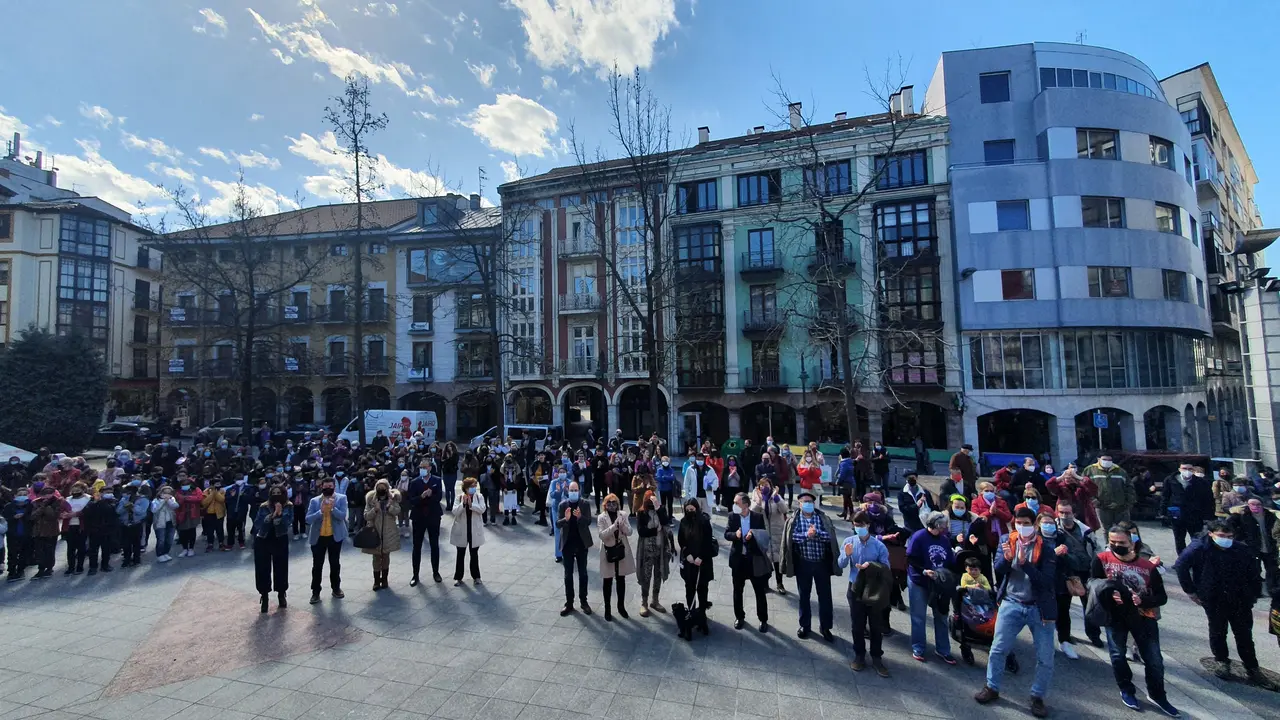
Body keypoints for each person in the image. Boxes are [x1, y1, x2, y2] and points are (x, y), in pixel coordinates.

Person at [974, 507, 1058, 719]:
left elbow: (1047, 581)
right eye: (1019, 523)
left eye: (1027, 523)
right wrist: (1006, 559)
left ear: (1035, 525)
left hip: (1039, 608)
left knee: (1045, 656)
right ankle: (992, 687)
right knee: (998, 649)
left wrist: (1025, 565)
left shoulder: (1046, 548)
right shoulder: (1007, 540)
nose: (1023, 527)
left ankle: (1037, 696)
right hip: (1012, 602)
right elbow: (998, 568)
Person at [1175, 521, 1278, 689]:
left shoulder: (1240, 549)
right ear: (1211, 534)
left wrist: (1253, 594)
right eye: (1222, 536)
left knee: (1244, 634)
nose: (1226, 540)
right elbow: (1181, 566)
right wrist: (1191, 591)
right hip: (1214, 597)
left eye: (1230, 537)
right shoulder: (1200, 547)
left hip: (1240, 599)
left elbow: (1253, 572)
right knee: (1218, 630)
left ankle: (1252, 667)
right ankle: (1222, 661)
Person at [1090, 526, 1178, 716]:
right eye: (1113, 542)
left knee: (1154, 660)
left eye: (1121, 543)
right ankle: (1126, 689)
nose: (1116, 546)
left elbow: (1161, 597)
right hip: (1115, 617)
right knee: (1118, 655)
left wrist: (1143, 600)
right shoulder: (1102, 559)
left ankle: (1157, 695)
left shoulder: (1148, 567)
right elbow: (1093, 583)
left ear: (1132, 543)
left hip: (1144, 616)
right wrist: (1107, 594)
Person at [781, 490, 840, 641]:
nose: (807, 504)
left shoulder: (823, 518)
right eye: (804, 502)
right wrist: (807, 535)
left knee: (825, 597)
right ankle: (805, 625)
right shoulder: (794, 520)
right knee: (804, 596)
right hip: (803, 563)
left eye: (810, 502)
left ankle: (825, 627)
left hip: (821, 563)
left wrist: (817, 533)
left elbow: (831, 536)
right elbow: (791, 538)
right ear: (799, 504)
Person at [839, 511, 891, 677]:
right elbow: (840, 564)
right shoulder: (849, 542)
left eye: (862, 525)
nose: (859, 528)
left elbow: (886, 567)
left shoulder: (878, 545)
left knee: (875, 624)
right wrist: (846, 555)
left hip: (874, 588)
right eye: (856, 525)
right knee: (857, 624)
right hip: (855, 587)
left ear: (868, 525)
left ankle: (877, 656)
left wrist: (871, 566)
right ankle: (859, 655)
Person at [904, 510, 957, 663]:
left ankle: (943, 649)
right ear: (932, 525)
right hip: (919, 581)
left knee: (941, 616)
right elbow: (911, 558)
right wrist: (923, 571)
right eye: (940, 527)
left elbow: (950, 561)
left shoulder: (944, 540)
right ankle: (918, 647)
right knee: (918, 616)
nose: (943, 530)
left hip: (939, 583)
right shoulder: (919, 537)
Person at [1053, 500, 1101, 654]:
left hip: (1085, 572)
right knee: (1063, 607)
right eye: (1061, 512)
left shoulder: (1085, 530)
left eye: (1067, 513)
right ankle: (1064, 637)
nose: (1064, 516)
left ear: (1074, 514)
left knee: (1089, 605)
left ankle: (1094, 634)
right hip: (1065, 573)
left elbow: (1096, 549)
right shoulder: (1055, 528)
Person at [726, 491, 771, 632]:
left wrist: (754, 535)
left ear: (745, 505)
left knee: (759, 591)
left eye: (737, 503)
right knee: (737, 591)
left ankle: (763, 619)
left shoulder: (757, 517)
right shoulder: (732, 516)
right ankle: (739, 617)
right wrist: (736, 535)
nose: (734, 505)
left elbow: (764, 535)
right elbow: (727, 534)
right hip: (738, 560)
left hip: (754, 560)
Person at [306, 476, 348, 604]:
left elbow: (342, 517)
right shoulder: (314, 501)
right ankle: (315, 592)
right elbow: (308, 519)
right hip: (318, 538)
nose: (328, 489)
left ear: (334, 487)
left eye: (330, 487)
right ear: (322, 487)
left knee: (335, 563)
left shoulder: (341, 498)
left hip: (334, 537)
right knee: (317, 566)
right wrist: (321, 511)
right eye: (326, 487)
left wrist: (333, 508)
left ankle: (336, 588)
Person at [253, 484, 292, 613]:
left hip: (280, 538)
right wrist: (271, 516)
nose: (276, 495)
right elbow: (257, 523)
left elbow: (288, 523)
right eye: (274, 493)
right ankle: (264, 597)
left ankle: (281, 594)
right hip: (263, 538)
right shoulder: (264, 506)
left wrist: (280, 515)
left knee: (281, 567)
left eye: (279, 492)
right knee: (262, 568)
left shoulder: (288, 505)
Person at [558, 481, 594, 616]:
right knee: (568, 575)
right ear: (568, 491)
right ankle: (569, 603)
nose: (573, 492)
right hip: (567, 544)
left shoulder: (584, 504)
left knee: (583, 573)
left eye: (575, 490)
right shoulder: (563, 505)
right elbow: (557, 524)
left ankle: (584, 601)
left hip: (581, 543)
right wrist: (566, 519)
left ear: (579, 491)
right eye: (571, 490)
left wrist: (580, 517)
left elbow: (588, 521)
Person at [1162, 463, 1214, 554]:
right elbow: (1165, 497)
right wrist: (1163, 513)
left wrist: (1208, 516)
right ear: (1179, 469)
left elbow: (1208, 500)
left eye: (1190, 469)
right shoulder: (1170, 480)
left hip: (1195, 516)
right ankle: (1182, 560)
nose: (1187, 471)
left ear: (1193, 470)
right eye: (1184, 468)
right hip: (1177, 516)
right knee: (1179, 540)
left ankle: (1197, 561)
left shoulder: (1201, 482)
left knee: (1197, 540)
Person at [597, 493, 634, 621]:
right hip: (608, 550)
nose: (612, 505)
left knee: (621, 579)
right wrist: (614, 527)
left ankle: (621, 606)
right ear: (605, 505)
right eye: (609, 503)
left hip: (621, 550)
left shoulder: (623, 515)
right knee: (607, 581)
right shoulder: (601, 517)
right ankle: (607, 609)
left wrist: (622, 525)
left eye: (614, 503)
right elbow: (602, 535)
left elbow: (630, 532)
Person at [634, 490, 671, 617]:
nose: (651, 501)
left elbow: (666, 522)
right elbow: (641, 531)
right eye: (649, 499)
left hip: (660, 549)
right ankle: (644, 602)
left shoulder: (661, 510)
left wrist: (658, 508)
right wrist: (656, 530)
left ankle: (655, 600)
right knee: (646, 576)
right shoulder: (641, 512)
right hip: (646, 550)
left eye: (653, 499)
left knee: (658, 575)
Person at [1227, 496, 1277, 590]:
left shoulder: (1269, 515)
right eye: (1252, 504)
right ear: (1248, 505)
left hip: (1269, 546)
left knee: (1272, 569)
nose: (1255, 507)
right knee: (1255, 569)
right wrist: (1240, 538)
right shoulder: (1242, 516)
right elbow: (1230, 524)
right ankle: (1257, 589)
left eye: (1258, 504)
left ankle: (1272, 589)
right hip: (1252, 547)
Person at [677, 497, 715, 614]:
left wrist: (701, 557)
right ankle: (691, 611)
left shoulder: (704, 521)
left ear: (696, 508)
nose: (690, 511)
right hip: (689, 561)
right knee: (689, 588)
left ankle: (702, 612)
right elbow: (681, 539)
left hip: (702, 561)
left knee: (702, 588)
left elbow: (708, 541)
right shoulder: (684, 522)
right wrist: (687, 553)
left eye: (692, 509)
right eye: (687, 510)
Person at [751, 477, 789, 594]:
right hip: (764, 533)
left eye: (766, 484)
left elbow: (784, 509)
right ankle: (765, 584)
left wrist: (777, 497)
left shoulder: (775, 496)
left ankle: (779, 583)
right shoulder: (756, 496)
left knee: (777, 560)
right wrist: (758, 502)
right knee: (765, 560)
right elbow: (753, 512)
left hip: (777, 531)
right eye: (761, 485)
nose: (764, 487)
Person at [362, 478, 402, 591]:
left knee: (385, 556)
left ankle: (384, 579)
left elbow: (398, 511)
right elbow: (366, 516)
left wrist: (390, 506)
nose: (381, 490)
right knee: (376, 557)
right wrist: (375, 510)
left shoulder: (392, 499)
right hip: (375, 531)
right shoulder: (371, 499)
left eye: (384, 488)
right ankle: (376, 581)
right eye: (379, 487)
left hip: (389, 531)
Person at [408, 462, 444, 585]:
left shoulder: (437, 480)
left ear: (430, 467)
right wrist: (421, 497)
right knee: (416, 546)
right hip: (419, 517)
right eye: (421, 467)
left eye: (425, 467)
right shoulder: (414, 482)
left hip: (433, 516)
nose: (423, 469)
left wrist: (431, 495)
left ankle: (436, 572)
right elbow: (411, 500)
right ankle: (415, 575)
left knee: (434, 545)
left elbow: (439, 497)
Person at [450, 477, 486, 586]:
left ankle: (476, 577)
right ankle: (458, 577)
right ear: (465, 488)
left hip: (474, 530)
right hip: (462, 530)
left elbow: (482, 509)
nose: (474, 489)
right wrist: (464, 504)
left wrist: (471, 505)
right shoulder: (459, 497)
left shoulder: (479, 497)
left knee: (474, 554)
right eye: (471, 487)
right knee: (460, 554)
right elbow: (455, 511)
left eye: (475, 486)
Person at [1085, 455, 1135, 529]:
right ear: (1098, 459)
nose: (1107, 462)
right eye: (1104, 459)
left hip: (1121, 507)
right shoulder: (1090, 470)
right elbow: (1084, 487)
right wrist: (1093, 500)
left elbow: (1129, 487)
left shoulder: (1120, 471)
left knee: (1125, 528)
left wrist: (1128, 503)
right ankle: (1109, 541)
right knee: (1106, 529)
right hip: (1102, 507)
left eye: (1109, 460)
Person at [1046, 466, 1099, 530]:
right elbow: (1049, 484)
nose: (1068, 479)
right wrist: (1061, 477)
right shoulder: (1061, 487)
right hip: (1065, 514)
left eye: (1071, 477)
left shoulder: (1082, 487)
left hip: (1083, 515)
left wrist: (1079, 477)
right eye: (1066, 477)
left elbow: (1094, 489)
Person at [82, 485, 119, 574]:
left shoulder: (114, 501)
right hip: (94, 530)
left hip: (107, 530)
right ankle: (93, 567)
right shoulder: (92, 502)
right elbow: (86, 512)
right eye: (106, 492)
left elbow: (115, 513)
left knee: (106, 549)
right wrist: (96, 502)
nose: (108, 494)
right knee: (93, 550)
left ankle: (105, 565)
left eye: (110, 492)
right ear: (101, 493)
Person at [29, 486, 64, 579]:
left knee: (50, 551)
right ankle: (41, 569)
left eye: (50, 494)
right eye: (45, 494)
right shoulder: (36, 502)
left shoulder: (58, 502)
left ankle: (49, 568)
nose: (47, 496)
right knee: (39, 551)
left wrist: (46, 506)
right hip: (38, 530)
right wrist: (42, 506)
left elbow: (52, 516)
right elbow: (33, 516)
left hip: (51, 530)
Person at [117, 482, 149, 568]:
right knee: (125, 543)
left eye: (128, 493)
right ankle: (126, 559)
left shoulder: (143, 500)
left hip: (136, 524)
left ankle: (136, 559)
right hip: (125, 524)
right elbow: (118, 511)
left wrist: (132, 506)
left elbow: (141, 512)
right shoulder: (123, 500)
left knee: (136, 543)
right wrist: (124, 506)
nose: (126, 494)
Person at [3, 487, 31, 580]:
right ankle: (11, 571)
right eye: (20, 495)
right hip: (12, 535)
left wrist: (24, 516)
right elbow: (4, 519)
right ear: (15, 496)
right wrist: (13, 517)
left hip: (26, 534)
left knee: (24, 553)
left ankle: (20, 570)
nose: (22, 497)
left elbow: (33, 519)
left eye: (24, 495)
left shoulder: (30, 506)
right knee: (12, 553)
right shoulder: (9, 506)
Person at [173, 478, 203, 558]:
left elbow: (199, 498)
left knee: (192, 531)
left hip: (193, 514)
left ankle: (191, 549)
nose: (185, 487)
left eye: (186, 485)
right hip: (181, 514)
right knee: (182, 532)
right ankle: (184, 548)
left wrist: (186, 498)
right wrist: (187, 499)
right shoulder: (178, 491)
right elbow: (177, 501)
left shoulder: (196, 489)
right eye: (183, 485)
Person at [151, 485, 178, 562]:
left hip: (171, 522)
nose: (167, 494)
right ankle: (159, 555)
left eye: (169, 493)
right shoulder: (155, 501)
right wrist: (163, 501)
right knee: (161, 540)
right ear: (160, 493)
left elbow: (176, 506)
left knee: (169, 540)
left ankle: (165, 553)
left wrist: (169, 501)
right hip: (160, 523)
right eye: (165, 493)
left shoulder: (172, 499)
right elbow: (154, 510)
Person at [200, 479, 227, 552]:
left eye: (218, 483)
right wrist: (212, 493)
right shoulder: (205, 491)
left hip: (219, 513)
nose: (218, 485)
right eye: (216, 484)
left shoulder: (222, 491)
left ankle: (221, 543)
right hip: (209, 514)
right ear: (211, 485)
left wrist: (215, 492)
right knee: (210, 530)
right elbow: (204, 503)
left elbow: (221, 499)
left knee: (220, 529)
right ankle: (210, 544)